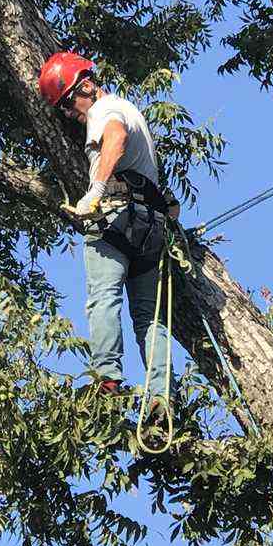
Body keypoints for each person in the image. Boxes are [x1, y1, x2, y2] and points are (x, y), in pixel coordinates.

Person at [38, 52, 177, 415]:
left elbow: (114, 137)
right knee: (150, 317)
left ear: (86, 86)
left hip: (117, 218)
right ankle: (161, 397)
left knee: (103, 297)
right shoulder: (133, 110)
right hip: (150, 226)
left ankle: (107, 380)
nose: (69, 114)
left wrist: (96, 191)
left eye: (68, 103)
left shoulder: (105, 111)